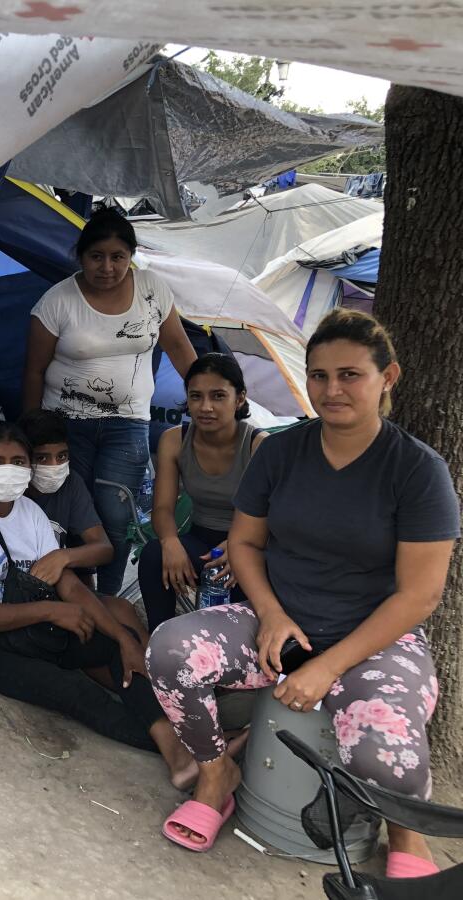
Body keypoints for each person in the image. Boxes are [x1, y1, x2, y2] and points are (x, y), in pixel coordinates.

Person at [146, 310, 459, 877]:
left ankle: (406, 837)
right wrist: (268, 615)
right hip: (280, 622)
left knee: (385, 759)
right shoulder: (283, 453)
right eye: (318, 375)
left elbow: (420, 595)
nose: (331, 389)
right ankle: (217, 775)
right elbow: (244, 544)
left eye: (349, 375)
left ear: (388, 377)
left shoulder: (417, 470)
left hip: (373, 642)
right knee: (169, 651)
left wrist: (329, 666)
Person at [0, 421, 199, 786]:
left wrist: (123, 639)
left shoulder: (30, 512)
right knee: (74, 692)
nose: (7, 469)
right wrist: (51, 610)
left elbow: (71, 587)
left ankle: (181, 748)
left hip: (30, 629)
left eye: (17, 461)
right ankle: (189, 751)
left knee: (121, 651)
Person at [22, 208, 197, 594]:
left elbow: (180, 348)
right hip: (66, 424)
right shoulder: (57, 301)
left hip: (129, 422)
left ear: (131, 256)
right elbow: (34, 372)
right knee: (75, 515)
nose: (107, 267)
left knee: (117, 515)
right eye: (96, 257)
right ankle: (71, 593)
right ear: (81, 257)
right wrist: (32, 432)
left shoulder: (152, 289)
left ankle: (108, 598)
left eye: (118, 257)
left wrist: (208, 397)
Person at [0, 408, 146, 644]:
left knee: (120, 611)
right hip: (8, 599)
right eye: (42, 458)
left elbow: (103, 549)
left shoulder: (67, 487)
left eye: (62, 456)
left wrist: (63, 557)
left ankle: (156, 667)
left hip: (53, 587)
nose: (53, 467)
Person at [138, 353, 267, 633]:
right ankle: (160, 648)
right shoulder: (174, 439)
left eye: (218, 396)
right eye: (196, 396)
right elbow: (162, 508)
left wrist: (237, 545)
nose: (205, 407)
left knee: (229, 624)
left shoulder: (259, 446)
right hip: (200, 538)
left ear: (240, 399)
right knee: (154, 555)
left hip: (249, 545)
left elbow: (274, 517)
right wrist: (170, 541)